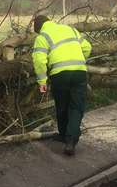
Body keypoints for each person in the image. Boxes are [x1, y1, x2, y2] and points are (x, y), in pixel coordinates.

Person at [31, 14, 92, 156]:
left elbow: (39, 61)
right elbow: (87, 47)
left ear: (39, 28)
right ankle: (70, 140)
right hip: (79, 73)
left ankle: (65, 135)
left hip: (59, 75)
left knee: (62, 106)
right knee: (76, 107)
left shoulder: (42, 37)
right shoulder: (70, 29)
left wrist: (42, 81)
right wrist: (79, 61)